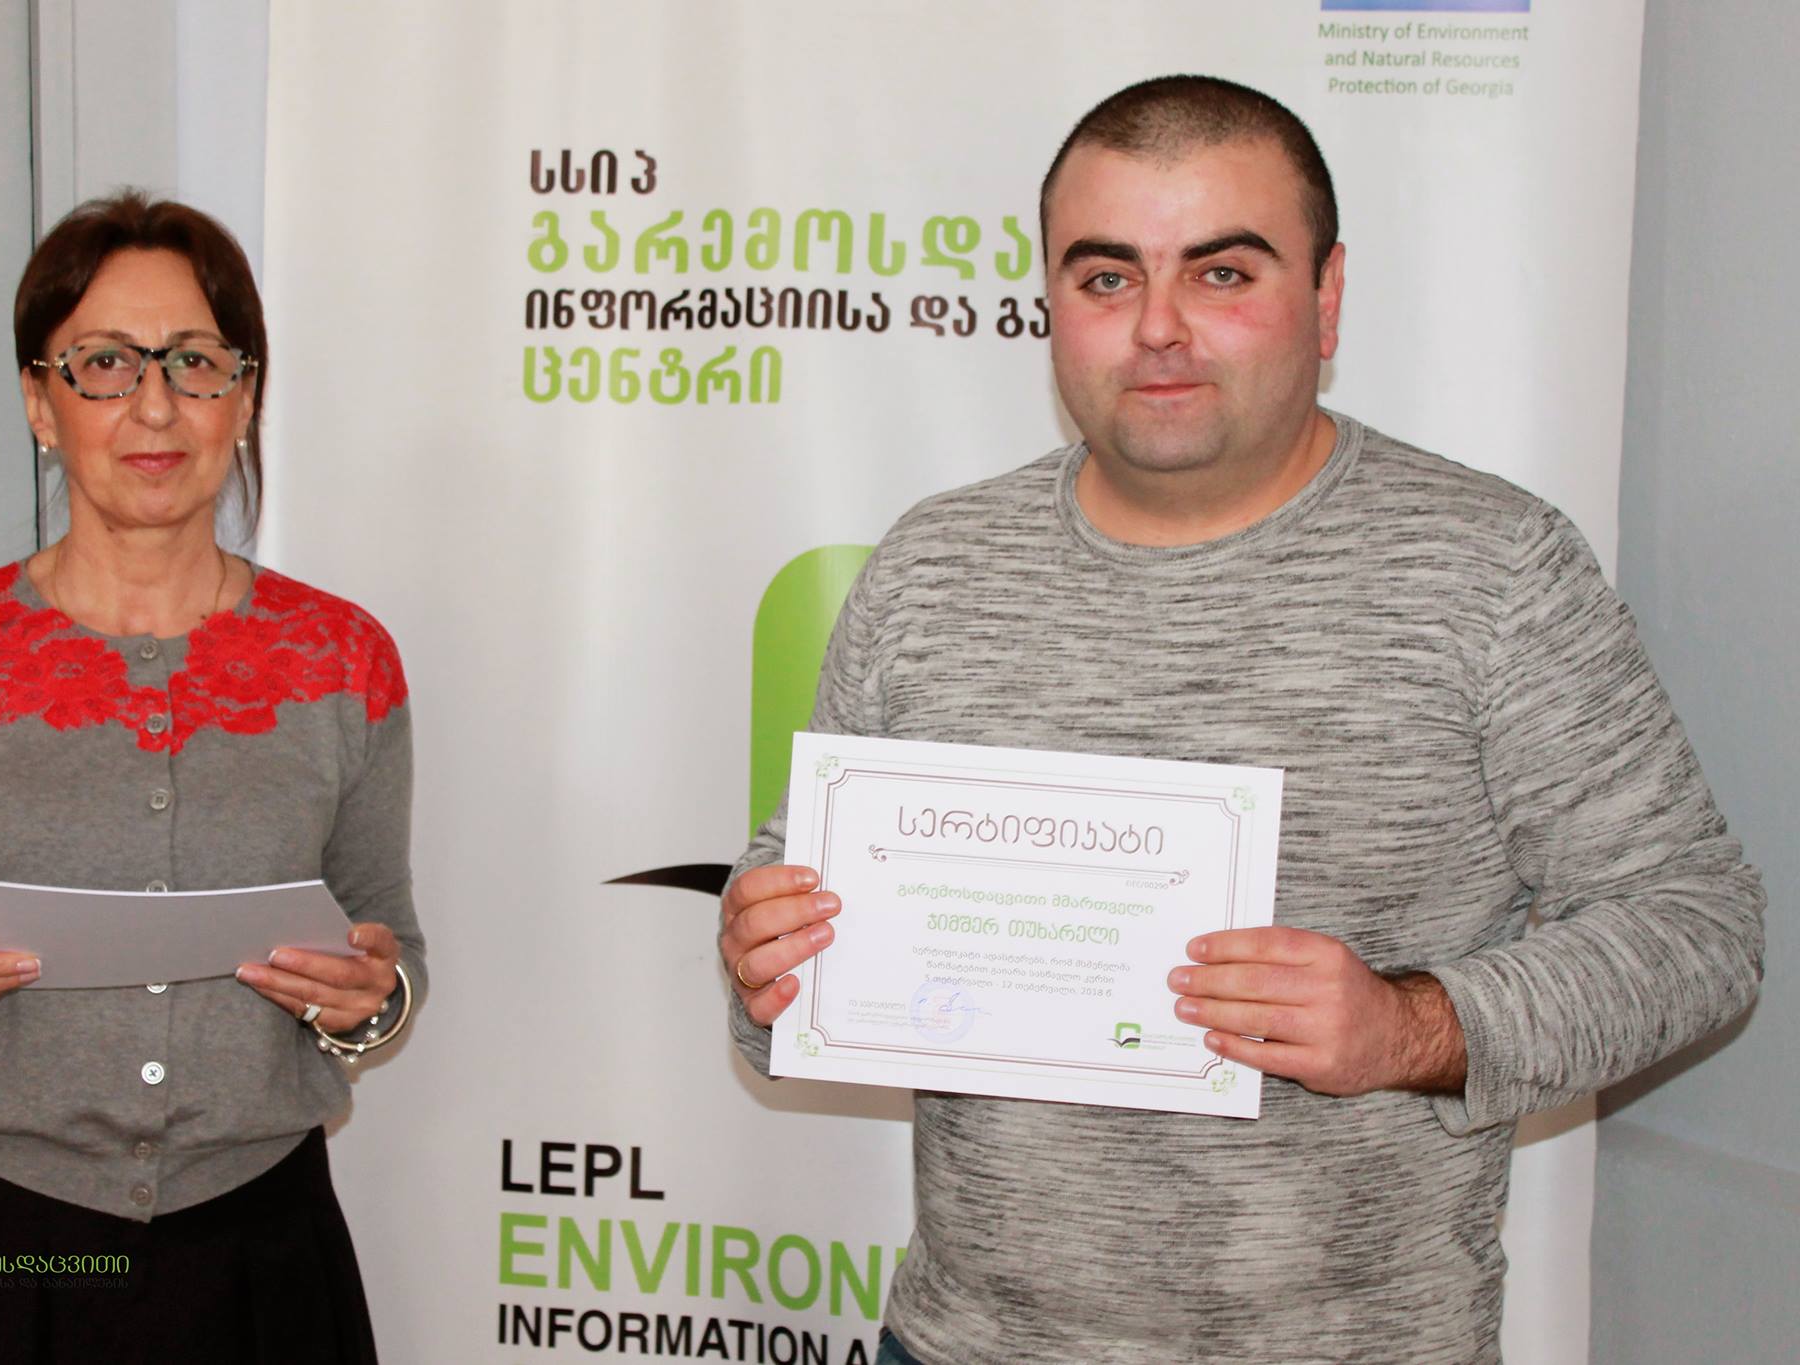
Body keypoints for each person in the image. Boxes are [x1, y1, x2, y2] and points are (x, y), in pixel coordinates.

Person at [719, 76, 1764, 1364]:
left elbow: (1696, 928)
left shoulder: (1489, 571)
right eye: (1106, 277)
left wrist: (1410, 1027)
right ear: (1049, 300)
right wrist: (766, 956)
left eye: (1220, 274)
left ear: (1325, 298)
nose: (1157, 328)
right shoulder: (931, 570)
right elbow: (784, 962)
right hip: (959, 1344)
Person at [0, 191, 422, 1364]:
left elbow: (389, 951)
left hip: (258, 1248)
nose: (155, 405)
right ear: (40, 401)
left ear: (245, 396)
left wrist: (369, 1001)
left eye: (196, 362)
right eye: (105, 363)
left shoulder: (344, 660)